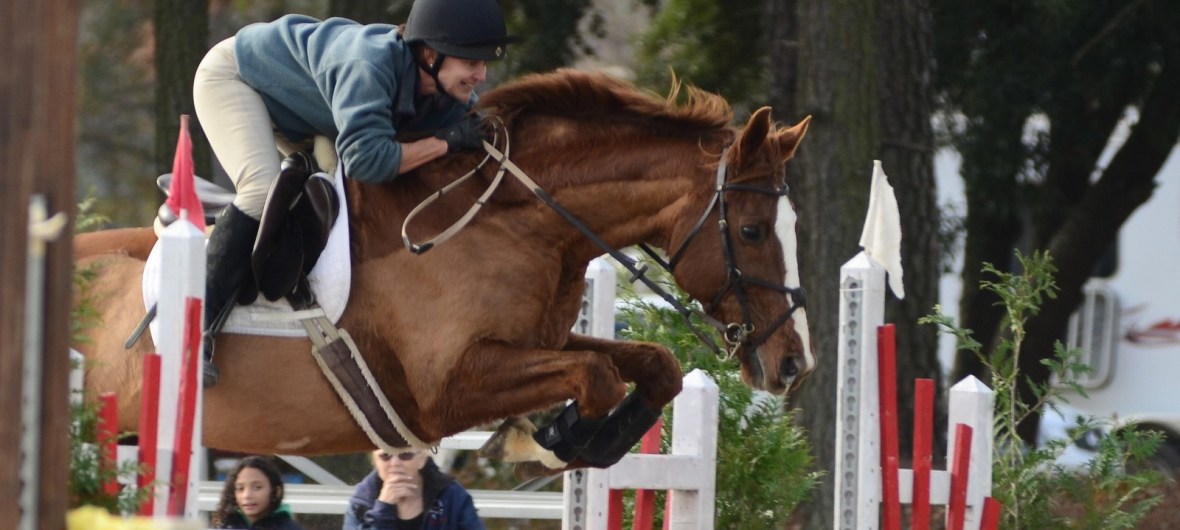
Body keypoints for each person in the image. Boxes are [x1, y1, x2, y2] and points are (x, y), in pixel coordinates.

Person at [192, 0, 516, 388]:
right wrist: (445, 143)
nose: (480, 75)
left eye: (483, 64)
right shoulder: (369, 65)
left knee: (339, 198)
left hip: (307, 112)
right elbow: (367, 161)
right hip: (237, 78)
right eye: (471, 62)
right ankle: (194, 327)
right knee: (261, 190)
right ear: (430, 54)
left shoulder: (445, 91)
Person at [343, 448, 484, 530]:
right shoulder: (361, 502)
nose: (395, 463)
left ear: (422, 458)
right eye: (385, 456)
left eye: (405, 455)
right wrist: (383, 510)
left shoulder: (451, 495)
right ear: (375, 460)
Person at [211, 455, 305, 530]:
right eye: (240, 488)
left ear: (276, 492)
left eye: (257, 487)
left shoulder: (287, 527)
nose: (247, 495)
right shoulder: (225, 524)